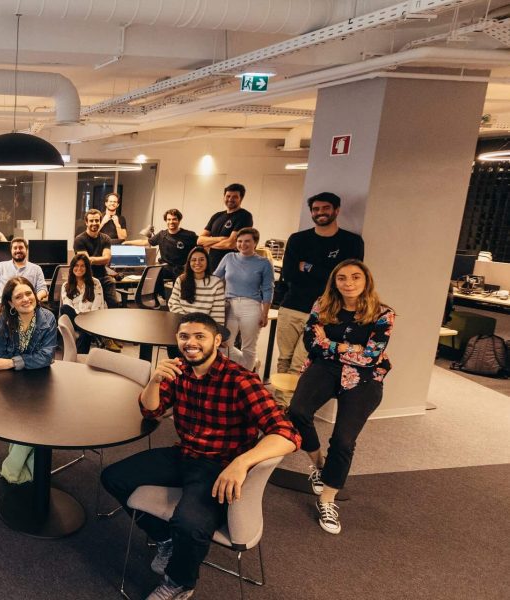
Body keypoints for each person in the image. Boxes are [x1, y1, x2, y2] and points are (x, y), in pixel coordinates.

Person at [101, 312, 300, 600]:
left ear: (216, 341)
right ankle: (164, 538)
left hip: (219, 465)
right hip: (184, 454)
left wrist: (242, 462)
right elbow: (151, 411)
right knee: (113, 477)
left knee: (190, 525)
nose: (190, 343)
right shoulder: (180, 371)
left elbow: (287, 433)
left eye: (199, 337)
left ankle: (179, 582)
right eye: (184, 337)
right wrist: (155, 380)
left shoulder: (241, 380)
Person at [287, 260, 393, 536]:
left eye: (356, 277)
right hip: (324, 368)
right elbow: (310, 344)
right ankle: (320, 465)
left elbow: (370, 356)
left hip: (365, 377)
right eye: (342, 278)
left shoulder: (383, 314)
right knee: (296, 411)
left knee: (344, 440)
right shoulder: (322, 305)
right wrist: (348, 347)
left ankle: (327, 500)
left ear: (366, 281)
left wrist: (329, 343)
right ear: (334, 282)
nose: (349, 283)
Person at [276, 193, 365, 386]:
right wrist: (328, 273)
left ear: (336, 210)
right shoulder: (298, 239)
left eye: (325, 208)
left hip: (324, 313)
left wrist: (308, 267)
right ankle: (280, 402)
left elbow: (346, 279)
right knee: (284, 360)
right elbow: (289, 274)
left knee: (300, 363)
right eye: (316, 209)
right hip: (291, 308)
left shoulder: (351, 242)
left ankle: (291, 403)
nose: (320, 212)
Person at [0, 276, 58, 484]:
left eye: (29, 293)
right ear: (10, 303)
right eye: (19, 297)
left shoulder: (47, 318)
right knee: (31, 420)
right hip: (6, 383)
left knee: (38, 417)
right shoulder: (2, 321)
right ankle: (20, 467)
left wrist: (13, 362)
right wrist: (23, 363)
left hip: (38, 380)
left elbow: (47, 357)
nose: (26, 299)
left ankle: (12, 470)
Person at [214, 228, 273, 371]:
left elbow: (268, 289)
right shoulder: (229, 257)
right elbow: (215, 278)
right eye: (239, 241)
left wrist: (265, 313)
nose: (242, 244)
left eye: (247, 241)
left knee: (248, 348)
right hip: (229, 305)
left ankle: (246, 377)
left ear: (255, 243)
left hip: (251, 306)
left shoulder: (264, 263)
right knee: (224, 345)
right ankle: (252, 364)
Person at [125, 208, 199, 295]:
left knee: (180, 291)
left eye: (174, 219)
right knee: (152, 273)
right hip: (165, 267)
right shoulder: (162, 234)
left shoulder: (189, 235)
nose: (171, 222)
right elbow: (145, 242)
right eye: (169, 219)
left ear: (179, 220)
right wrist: (127, 242)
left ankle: (176, 299)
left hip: (181, 268)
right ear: (166, 221)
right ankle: (161, 296)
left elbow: (201, 245)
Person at [73, 209, 121, 308]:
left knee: (114, 304)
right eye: (91, 221)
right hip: (87, 278)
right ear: (86, 222)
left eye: (97, 220)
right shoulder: (79, 240)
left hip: (103, 276)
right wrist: (98, 260)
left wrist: (92, 259)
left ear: (100, 221)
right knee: (91, 307)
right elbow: (85, 262)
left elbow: (107, 259)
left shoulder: (106, 238)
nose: (94, 223)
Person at [0, 237, 48, 309]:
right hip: (3, 305)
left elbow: (43, 289)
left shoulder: (36, 269)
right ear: (11, 250)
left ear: (26, 250)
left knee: (46, 315)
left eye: (21, 248)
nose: (18, 250)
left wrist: (35, 299)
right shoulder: (1, 266)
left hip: (27, 305)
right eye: (15, 248)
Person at [197, 183, 252, 268]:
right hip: (212, 264)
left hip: (232, 266)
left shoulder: (244, 216)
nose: (230, 199)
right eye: (228, 196)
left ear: (241, 199)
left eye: (235, 197)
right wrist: (221, 239)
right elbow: (199, 240)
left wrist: (208, 244)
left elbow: (231, 244)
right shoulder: (217, 216)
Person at [60, 254, 105, 354]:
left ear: (87, 268)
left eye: (82, 266)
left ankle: (78, 357)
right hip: (76, 318)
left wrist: (86, 319)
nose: (79, 268)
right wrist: (80, 317)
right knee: (64, 308)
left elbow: (97, 305)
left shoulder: (95, 283)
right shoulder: (66, 285)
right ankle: (90, 333)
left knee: (84, 334)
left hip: (91, 318)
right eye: (76, 265)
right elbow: (68, 305)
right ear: (72, 267)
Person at [168, 247, 226, 325]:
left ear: (207, 262)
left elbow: (218, 314)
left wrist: (211, 330)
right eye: (194, 260)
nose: (197, 262)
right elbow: (173, 303)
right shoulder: (181, 280)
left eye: (201, 259)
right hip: (183, 323)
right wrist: (187, 322)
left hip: (205, 326)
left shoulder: (216, 283)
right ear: (189, 262)